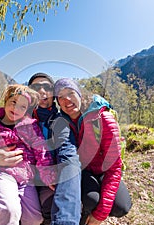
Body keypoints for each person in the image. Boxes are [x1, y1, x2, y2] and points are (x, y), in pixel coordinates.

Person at [0, 73, 82, 225]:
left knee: (49, 207)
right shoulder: (17, 116)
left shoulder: (60, 122)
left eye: (47, 87)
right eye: (36, 87)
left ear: (53, 95)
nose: (42, 91)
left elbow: (68, 156)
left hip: (46, 181)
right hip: (15, 177)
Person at [0, 84, 56, 225]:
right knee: (11, 210)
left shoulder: (29, 127)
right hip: (4, 174)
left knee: (35, 218)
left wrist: (47, 176)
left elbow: (41, 150)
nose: (16, 109)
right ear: (5, 102)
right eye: (13, 103)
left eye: (22, 107)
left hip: (26, 178)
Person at [54, 78, 132, 225]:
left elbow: (115, 166)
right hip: (84, 171)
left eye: (70, 93)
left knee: (121, 206)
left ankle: (92, 216)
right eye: (61, 97)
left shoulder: (102, 117)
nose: (67, 100)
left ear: (80, 94)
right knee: (91, 200)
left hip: (106, 170)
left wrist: (100, 214)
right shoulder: (62, 122)